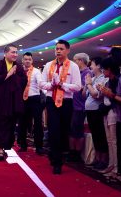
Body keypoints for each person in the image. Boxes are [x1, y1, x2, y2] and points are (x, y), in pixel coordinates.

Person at [40, 40, 81, 174]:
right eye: (57, 49)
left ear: (68, 50)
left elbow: (77, 86)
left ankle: (57, 154)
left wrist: (63, 85)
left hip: (66, 102)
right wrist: (51, 85)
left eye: (61, 49)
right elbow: (41, 83)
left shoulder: (73, 66)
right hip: (51, 101)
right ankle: (57, 162)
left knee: (63, 131)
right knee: (53, 130)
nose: (58, 51)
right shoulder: (48, 65)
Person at [0, 44, 27, 161]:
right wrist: (8, 74)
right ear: (5, 53)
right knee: (0, 124)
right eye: (13, 52)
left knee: (10, 125)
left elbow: (24, 81)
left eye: (16, 52)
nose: (15, 54)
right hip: (1, 101)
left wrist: (14, 78)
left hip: (13, 101)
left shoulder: (19, 67)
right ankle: (0, 149)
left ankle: (5, 147)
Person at [83, 57, 108, 170]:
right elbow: (84, 94)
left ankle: (103, 160)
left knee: (100, 135)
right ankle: (97, 158)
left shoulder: (103, 79)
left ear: (98, 66)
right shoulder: (92, 79)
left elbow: (95, 95)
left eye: (91, 64)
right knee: (95, 135)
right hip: (89, 110)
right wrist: (86, 84)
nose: (90, 67)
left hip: (97, 110)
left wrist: (89, 84)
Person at [18, 52, 44, 155]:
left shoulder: (37, 71)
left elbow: (41, 84)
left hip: (35, 99)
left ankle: (39, 147)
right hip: (23, 100)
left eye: (29, 59)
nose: (27, 61)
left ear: (32, 61)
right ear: (22, 60)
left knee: (38, 123)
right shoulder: (19, 71)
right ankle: (23, 145)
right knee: (22, 123)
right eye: (26, 59)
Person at [69, 53, 92, 162]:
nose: (74, 63)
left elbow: (84, 92)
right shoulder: (77, 72)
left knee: (77, 131)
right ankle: (72, 152)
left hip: (80, 106)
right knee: (72, 130)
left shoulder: (88, 73)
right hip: (72, 105)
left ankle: (76, 154)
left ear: (81, 61)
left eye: (75, 60)